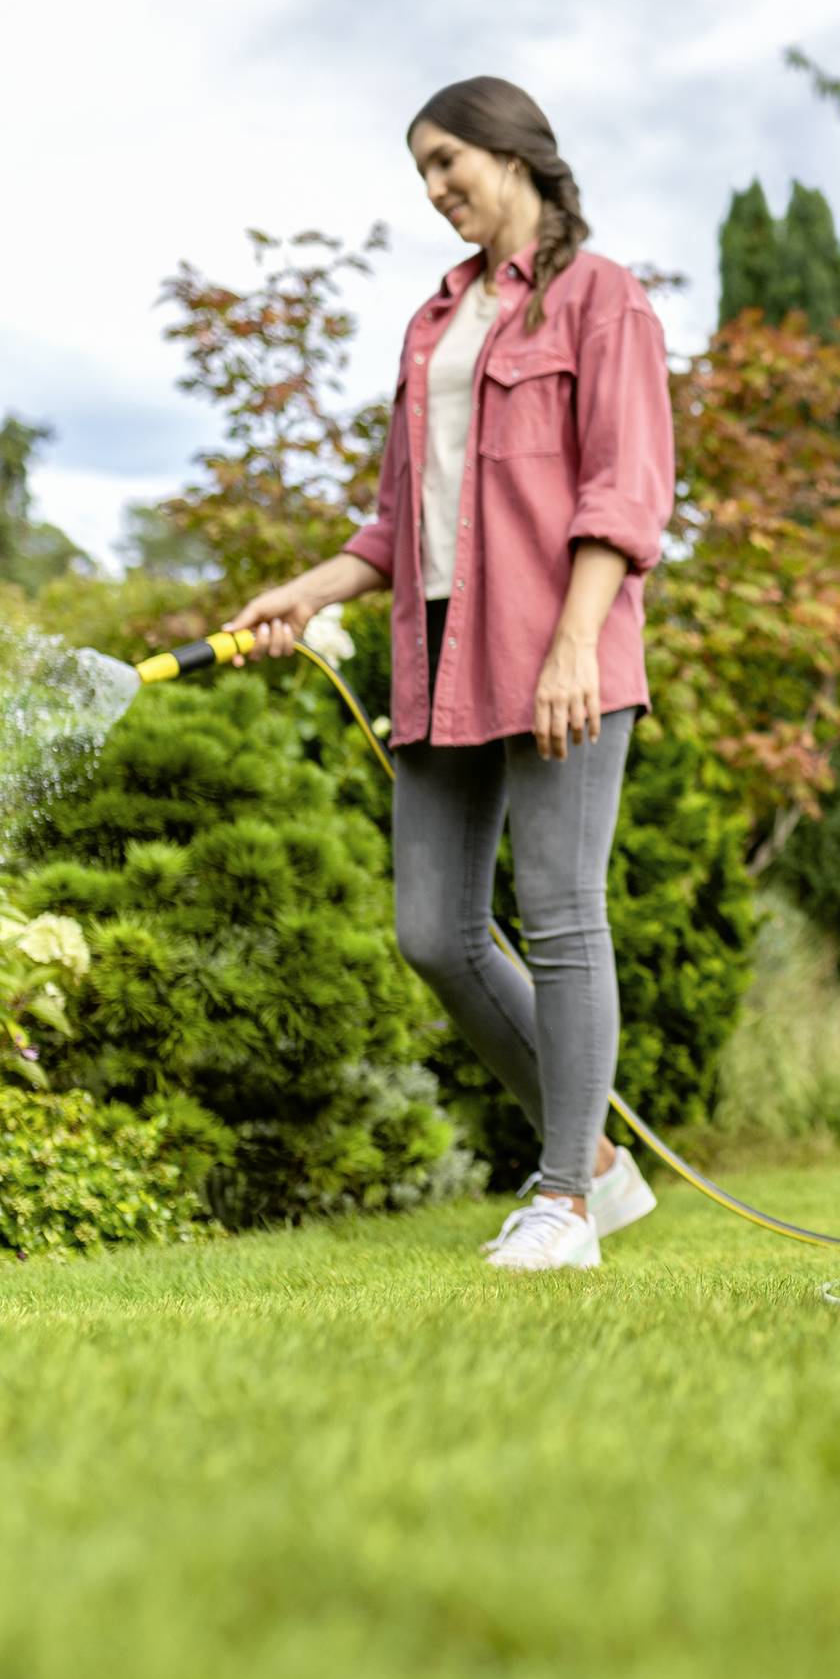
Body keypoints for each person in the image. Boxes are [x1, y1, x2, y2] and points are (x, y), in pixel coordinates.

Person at [222, 75, 675, 1274]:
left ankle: (565, 1198)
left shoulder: (601, 299)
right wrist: (309, 591)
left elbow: (623, 493)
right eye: (420, 173)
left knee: (565, 917)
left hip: (558, 651)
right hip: (436, 655)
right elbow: (395, 525)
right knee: (434, 930)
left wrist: (577, 642)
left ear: (513, 152)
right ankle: (601, 1163)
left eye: (446, 163)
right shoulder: (433, 327)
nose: (435, 192)